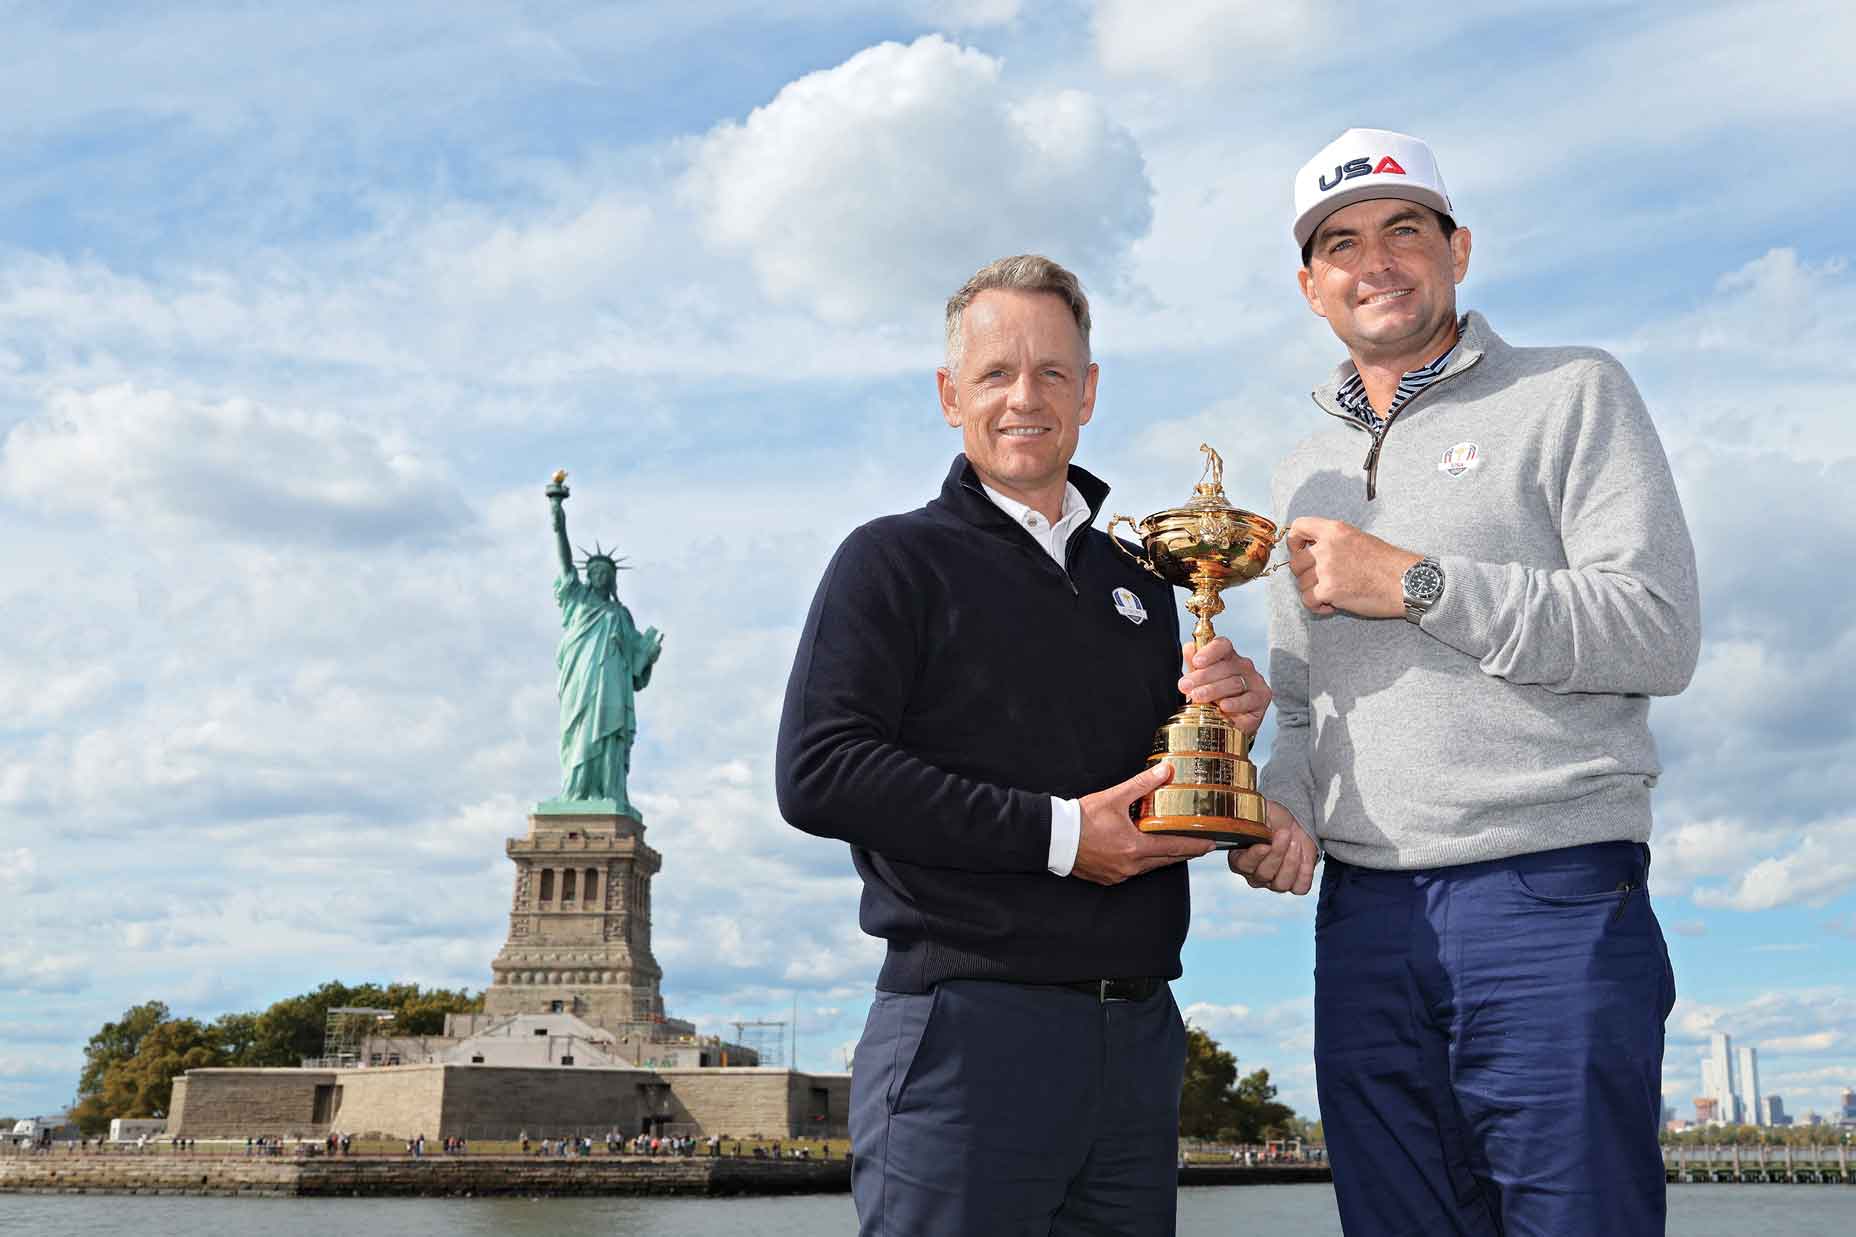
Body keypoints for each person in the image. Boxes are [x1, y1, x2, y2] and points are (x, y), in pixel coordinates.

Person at [1236, 128, 1700, 1234]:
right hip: (1361, 924)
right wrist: (1278, 807)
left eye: (1404, 230)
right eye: (1339, 244)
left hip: (1547, 896)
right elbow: (1306, 704)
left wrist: (1417, 582)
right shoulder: (1291, 474)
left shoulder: (1572, 393)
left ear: (1458, 249)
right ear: (1310, 287)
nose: (1375, 261)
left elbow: (1654, 630)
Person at [777, 253, 1270, 1235]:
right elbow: (819, 769)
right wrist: (1057, 836)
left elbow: (1148, 788)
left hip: (1136, 1037)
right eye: (995, 373)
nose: (1022, 398)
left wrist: (1231, 728)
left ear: (1086, 393)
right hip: (966, 1028)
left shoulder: (1144, 584)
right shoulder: (891, 558)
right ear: (948, 392)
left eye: (1051, 372)